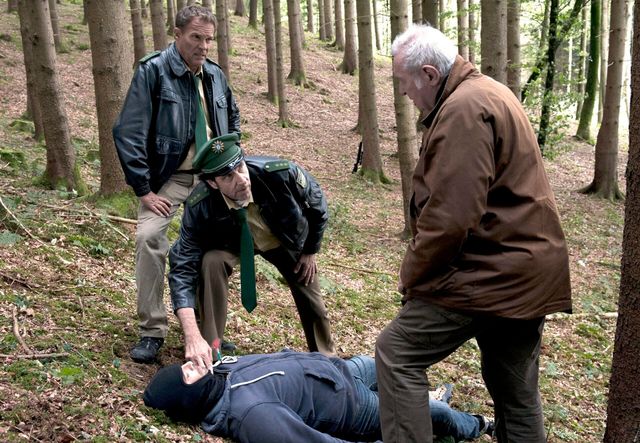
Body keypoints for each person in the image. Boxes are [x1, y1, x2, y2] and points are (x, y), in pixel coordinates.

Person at [375, 24, 572, 443]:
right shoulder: (488, 92)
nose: (404, 93)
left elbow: (451, 218)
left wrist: (413, 275)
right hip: (523, 274)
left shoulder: (464, 109)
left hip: (492, 273)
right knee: (516, 393)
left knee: (397, 353)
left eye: (404, 82)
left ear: (429, 74)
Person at [113, 5, 240, 363]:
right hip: (168, 178)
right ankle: (152, 330)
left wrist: (230, 167)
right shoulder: (153, 71)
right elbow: (128, 132)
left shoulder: (215, 75)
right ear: (177, 33)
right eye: (196, 37)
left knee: (212, 248)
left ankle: (209, 331)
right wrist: (144, 190)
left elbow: (232, 122)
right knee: (149, 237)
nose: (203, 46)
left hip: (209, 179)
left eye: (209, 39)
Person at [168, 133, 335, 369]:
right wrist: (191, 334)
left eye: (240, 167)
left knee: (310, 292)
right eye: (228, 176)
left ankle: (327, 361)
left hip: (282, 238)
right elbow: (182, 267)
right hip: (233, 243)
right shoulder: (200, 205)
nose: (241, 180)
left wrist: (310, 250)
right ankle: (210, 352)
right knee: (211, 261)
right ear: (213, 183)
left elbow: (318, 206)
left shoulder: (279, 174)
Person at [143, 351, 494, 442]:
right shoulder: (252, 414)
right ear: (190, 396)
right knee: (429, 413)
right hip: (354, 407)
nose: (192, 364)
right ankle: (477, 424)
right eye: (187, 372)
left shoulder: (221, 374)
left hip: (343, 370)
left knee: (400, 361)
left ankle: (426, 397)